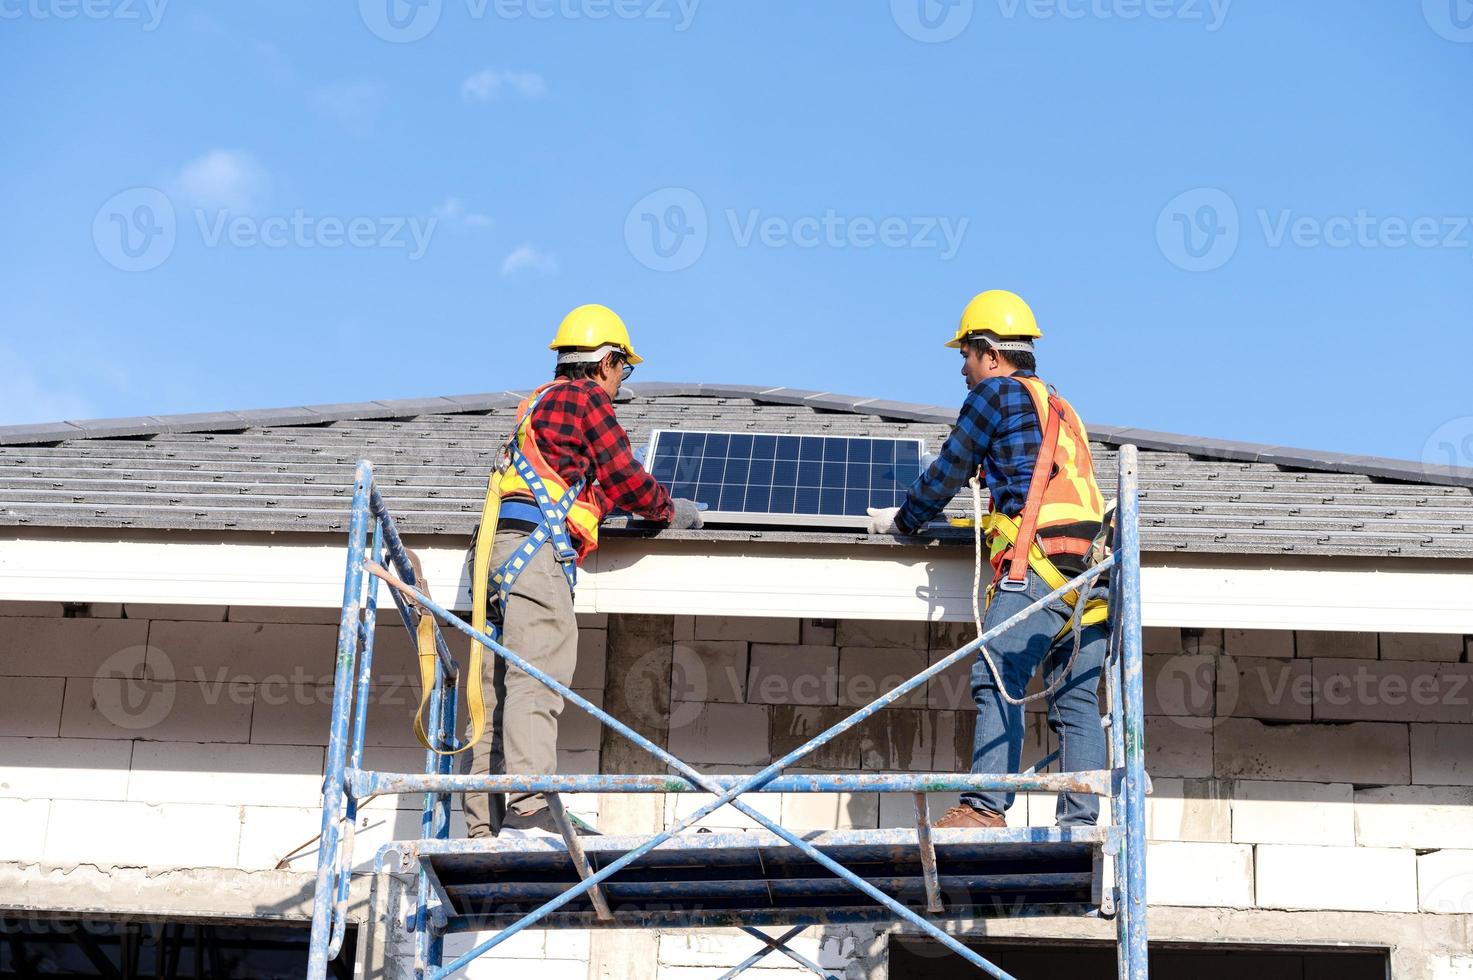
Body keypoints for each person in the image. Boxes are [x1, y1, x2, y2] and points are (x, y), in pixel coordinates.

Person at [867, 290, 1109, 829]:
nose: (963, 369)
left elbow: (950, 468)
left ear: (991, 353)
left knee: (996, 678)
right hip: (1091, 580)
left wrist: (903, 520)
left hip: (1037, 570)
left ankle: (983, 808)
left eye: (966, 356)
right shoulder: (1062, 407)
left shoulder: (995, 394)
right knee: (1077, 704)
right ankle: (1082, 825)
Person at [465, 303, 704, 838]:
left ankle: (483, 825)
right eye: (625, 368)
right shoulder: (584, 398)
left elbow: (579, 486)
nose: (623, 382)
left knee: (493, 688)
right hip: (534, 557)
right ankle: (529, 808)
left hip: (498, 554)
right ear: (605, 360)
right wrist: (666, 508)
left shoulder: (537, 405)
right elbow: (622, 473)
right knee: (537, 679)